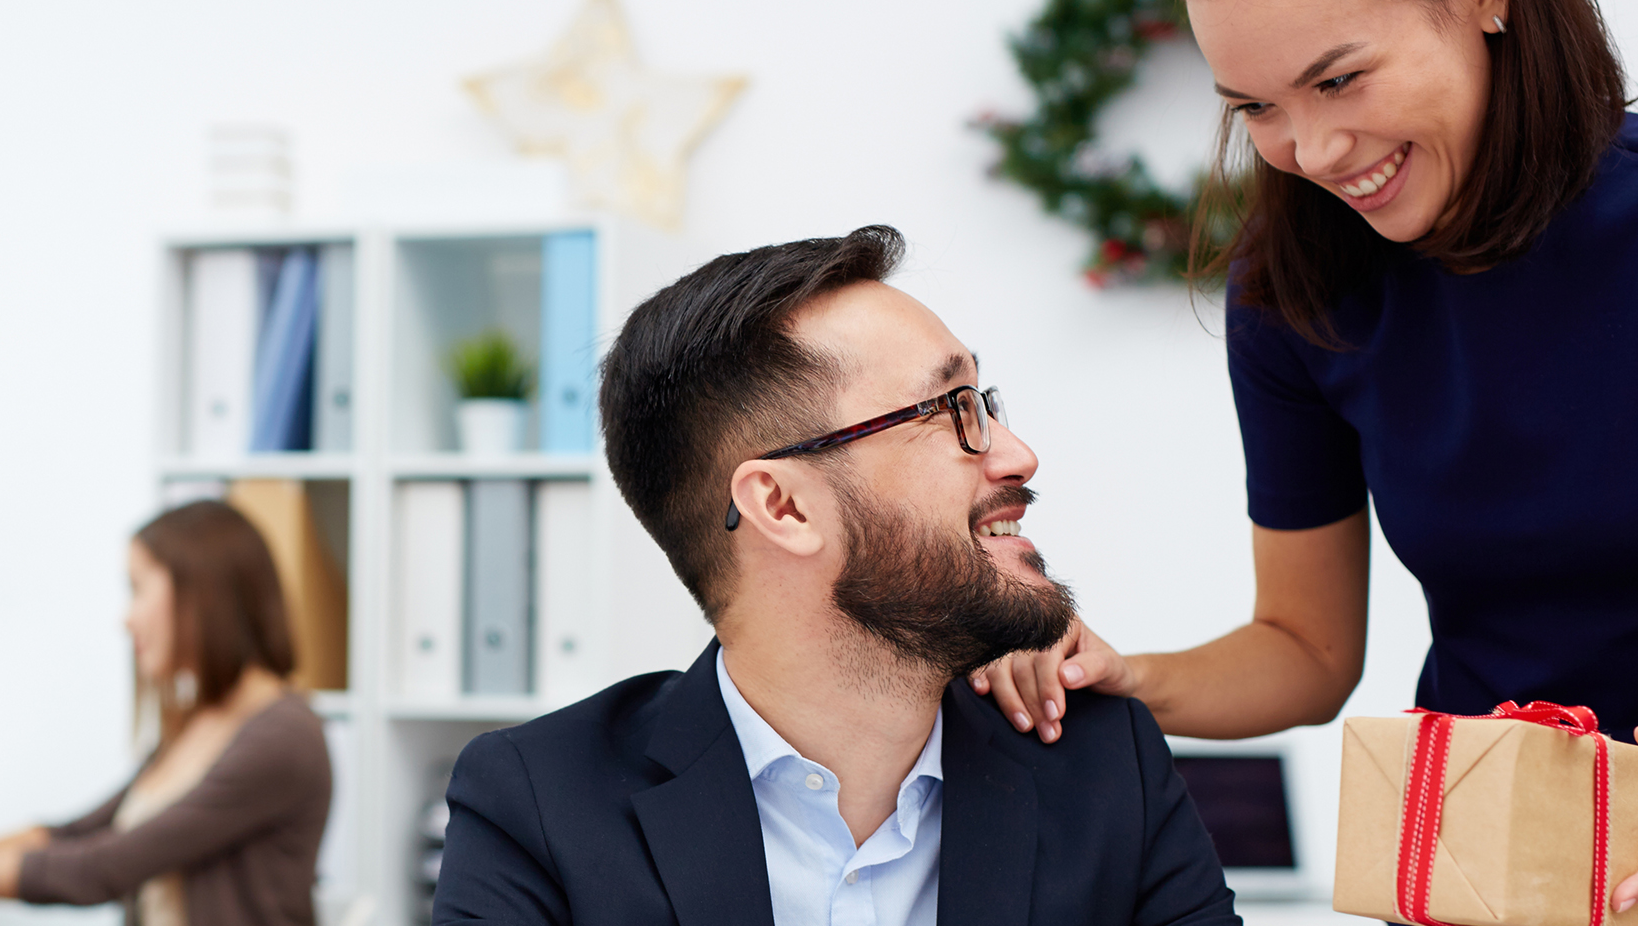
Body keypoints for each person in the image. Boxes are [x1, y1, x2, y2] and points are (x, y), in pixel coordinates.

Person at [970, 0, 1638, 923]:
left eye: (1337, 79)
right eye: (1254, 108)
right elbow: (1303, 647)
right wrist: (1126, 674)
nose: (1312, 148)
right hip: (1478, 884)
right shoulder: (1289, 289)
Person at [432, 227, 1239, 926]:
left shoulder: (1099, 766)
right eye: (950, 410)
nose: (1015, 453)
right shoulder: (538, 804)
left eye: (984, 401)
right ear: (782, 504)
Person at [0, 500, 329, 926]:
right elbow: (72, 835)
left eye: (138, 589)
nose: (126, 619)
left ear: (200, 593)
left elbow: (102, 869)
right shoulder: (197, 721)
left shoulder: (284, 737)